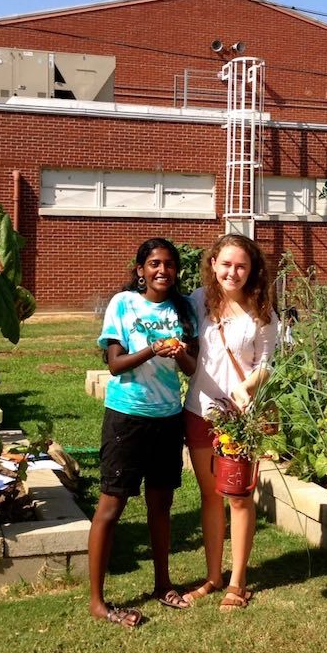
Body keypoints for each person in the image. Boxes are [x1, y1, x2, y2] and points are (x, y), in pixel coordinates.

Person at [89, 238, 198, 629]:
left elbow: (190, 368)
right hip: (126, 418)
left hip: (167, 418)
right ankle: (97, 601)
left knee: (160, 507)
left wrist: (179, 352)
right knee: (111, 507)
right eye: (153, 264)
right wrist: (152, 349)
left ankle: (163, 583)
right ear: (140, 270)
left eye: (169, 264)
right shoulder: (123, 304)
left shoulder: (183, 310)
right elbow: (115, 364)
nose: (162, 271)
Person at [182, 234, 279, 611]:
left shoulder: (262, 311)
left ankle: (237, 581)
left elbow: (268, 363)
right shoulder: (197, 301)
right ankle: (212, 576)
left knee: (238, 498)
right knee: (209, 497)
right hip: (199, 411)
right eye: (225, 264)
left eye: (240, 266)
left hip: (239, 420)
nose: (232, 272)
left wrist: (249, 384)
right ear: (213, 265)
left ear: (252, 269)